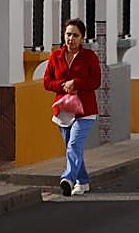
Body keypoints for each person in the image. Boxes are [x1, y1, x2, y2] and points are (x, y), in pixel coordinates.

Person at [43, 18, 101, 196]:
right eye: (68, 34)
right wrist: (62, 85)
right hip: (64, 111)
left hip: (85, 110)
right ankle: (82, 181)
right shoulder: (55, 56)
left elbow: (96, 81)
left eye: (75, 35)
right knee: (72, 147)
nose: (71, 39)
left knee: (74, 144)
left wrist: (76, 83)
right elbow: (47, 82)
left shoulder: (89, 57)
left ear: (82, 37)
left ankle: (67, 178)